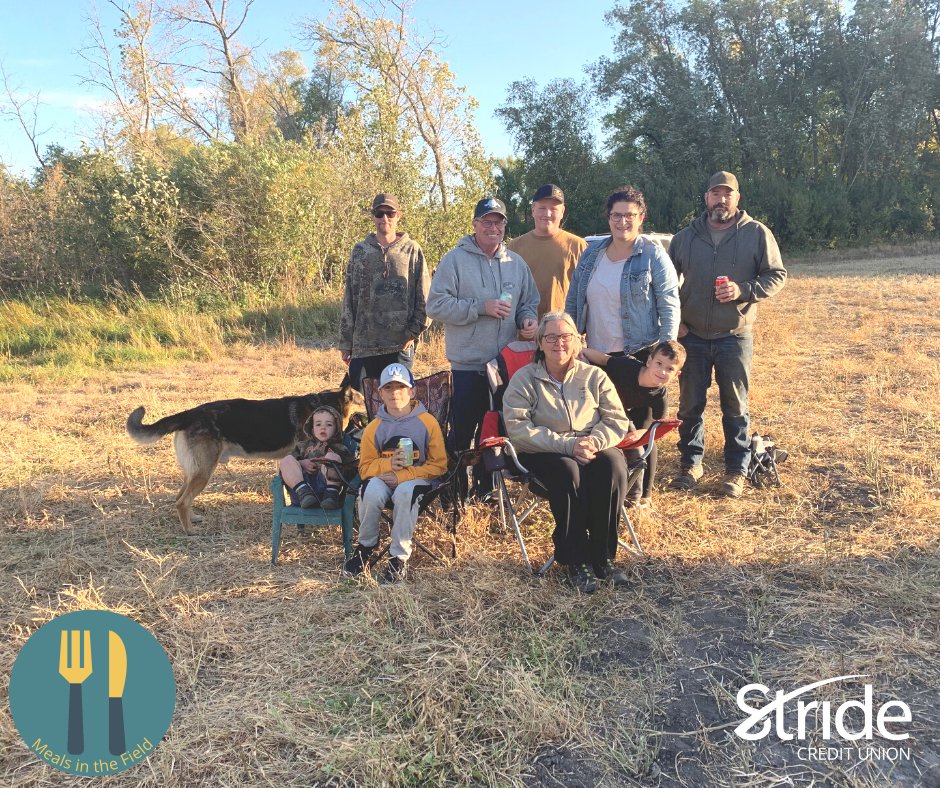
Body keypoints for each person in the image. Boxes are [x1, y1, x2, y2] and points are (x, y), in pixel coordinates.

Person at [668, 171, 787, 498]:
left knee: (735, 405)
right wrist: (675, 320)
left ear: (737, 198)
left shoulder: (756, 233)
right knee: (690, 405)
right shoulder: (685, 238)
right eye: (715, 194)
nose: (721, 200)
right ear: (706, 198)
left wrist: (744, 290)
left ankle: (736, 468)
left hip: (734, 335)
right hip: (691, 335)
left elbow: (776, 275)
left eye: (727, 194)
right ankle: (691, 463)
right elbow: (665, 285)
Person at [502, 311, 633, 594]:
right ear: (539, 343)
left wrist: (593, 442)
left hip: (592, 444)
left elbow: (617, 420)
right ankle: (576, 560)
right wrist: (567, 446)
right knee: (567, 471)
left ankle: (603, 556)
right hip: (544, 450)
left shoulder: (594, 376)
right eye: (551, 337)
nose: (558, 343)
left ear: (576, 341)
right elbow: (518, 430)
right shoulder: (524, 379)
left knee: (613, 467)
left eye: (566, 337)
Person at [426, 197, 539, 485]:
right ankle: (454, 487)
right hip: (469, 364)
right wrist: (480, 307)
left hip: (504, 366)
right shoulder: (455, 260)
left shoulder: (516, 263)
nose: (493, 227)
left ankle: (486, 490)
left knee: (495, 433)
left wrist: (527, 320)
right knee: (463, 431)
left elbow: (529, 302)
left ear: (504, 225)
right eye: (486, 221)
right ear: (475, 225)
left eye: (498, 221)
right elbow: (435, 306)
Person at [343, 363, 448, 583]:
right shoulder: (374, 427)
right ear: (380, 393)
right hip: (384, 478)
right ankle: (365, 547)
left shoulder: (427, 422)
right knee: (370, 491)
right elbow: (365, 468)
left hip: (418, 479)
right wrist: (389, 464)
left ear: (411, 391)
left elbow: (440, 465)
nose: (394, 393)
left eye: (400, 387)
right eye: (388, 388)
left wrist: (402, 476)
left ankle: (398, 558)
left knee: (404, 493)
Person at [565, 186, 680, 362]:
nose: (622, 221)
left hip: (640, 355)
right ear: (609, 218)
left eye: (629, 215)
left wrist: (664, 355)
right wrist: (570, 339)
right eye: (616, 215)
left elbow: (669, 307)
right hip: (595, 355)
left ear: (641, 218)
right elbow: (573, 301)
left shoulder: (654, 256)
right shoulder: (590, 255)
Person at [339, 193, 430, 392]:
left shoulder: (412, 250)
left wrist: (413, 333)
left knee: (397, 405)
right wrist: (346, 342)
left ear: (399, 215)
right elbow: (350, 297)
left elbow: (425, 298)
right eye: (380, 213)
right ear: (373, 216)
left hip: (400, 345)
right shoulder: (360, 251)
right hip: (364, 346)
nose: (385, 218)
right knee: (361, 410)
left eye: (390, 213)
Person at [580, 340, 686, 508]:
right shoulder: (627, 366)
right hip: (600, 399)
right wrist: (581, 351)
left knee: (643, 441)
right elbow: (603, 359)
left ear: (677, 375)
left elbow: (657, 424)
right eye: (659, 364)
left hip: (629, 407)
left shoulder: (659, 395)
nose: (662, 371)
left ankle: (644, 494)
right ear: (649, 361)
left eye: (670, 369)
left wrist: (642, 432)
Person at [508, 183, 586, 320]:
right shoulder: (514, 247)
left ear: (562, 212)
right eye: (542, 208)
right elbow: (507, 290)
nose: (547, 214)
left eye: (554, 209)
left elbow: (587, 294)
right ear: (533, 210)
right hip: (525, 330)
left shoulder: (579, 246)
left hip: (564, 333)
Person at [278, 405, 355, 510]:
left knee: (333, 457)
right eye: (318, 424)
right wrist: (301, 463)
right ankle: (304, 492)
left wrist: (328, 463)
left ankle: (331, 494)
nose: (323, 428)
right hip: (301, 492)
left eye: (329, 425)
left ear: (336, 428)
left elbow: (350, 470)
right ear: (312, 428)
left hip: (326, 494)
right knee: (286, 460)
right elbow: (289, 464)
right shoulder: (302, 446)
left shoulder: (341, 448)